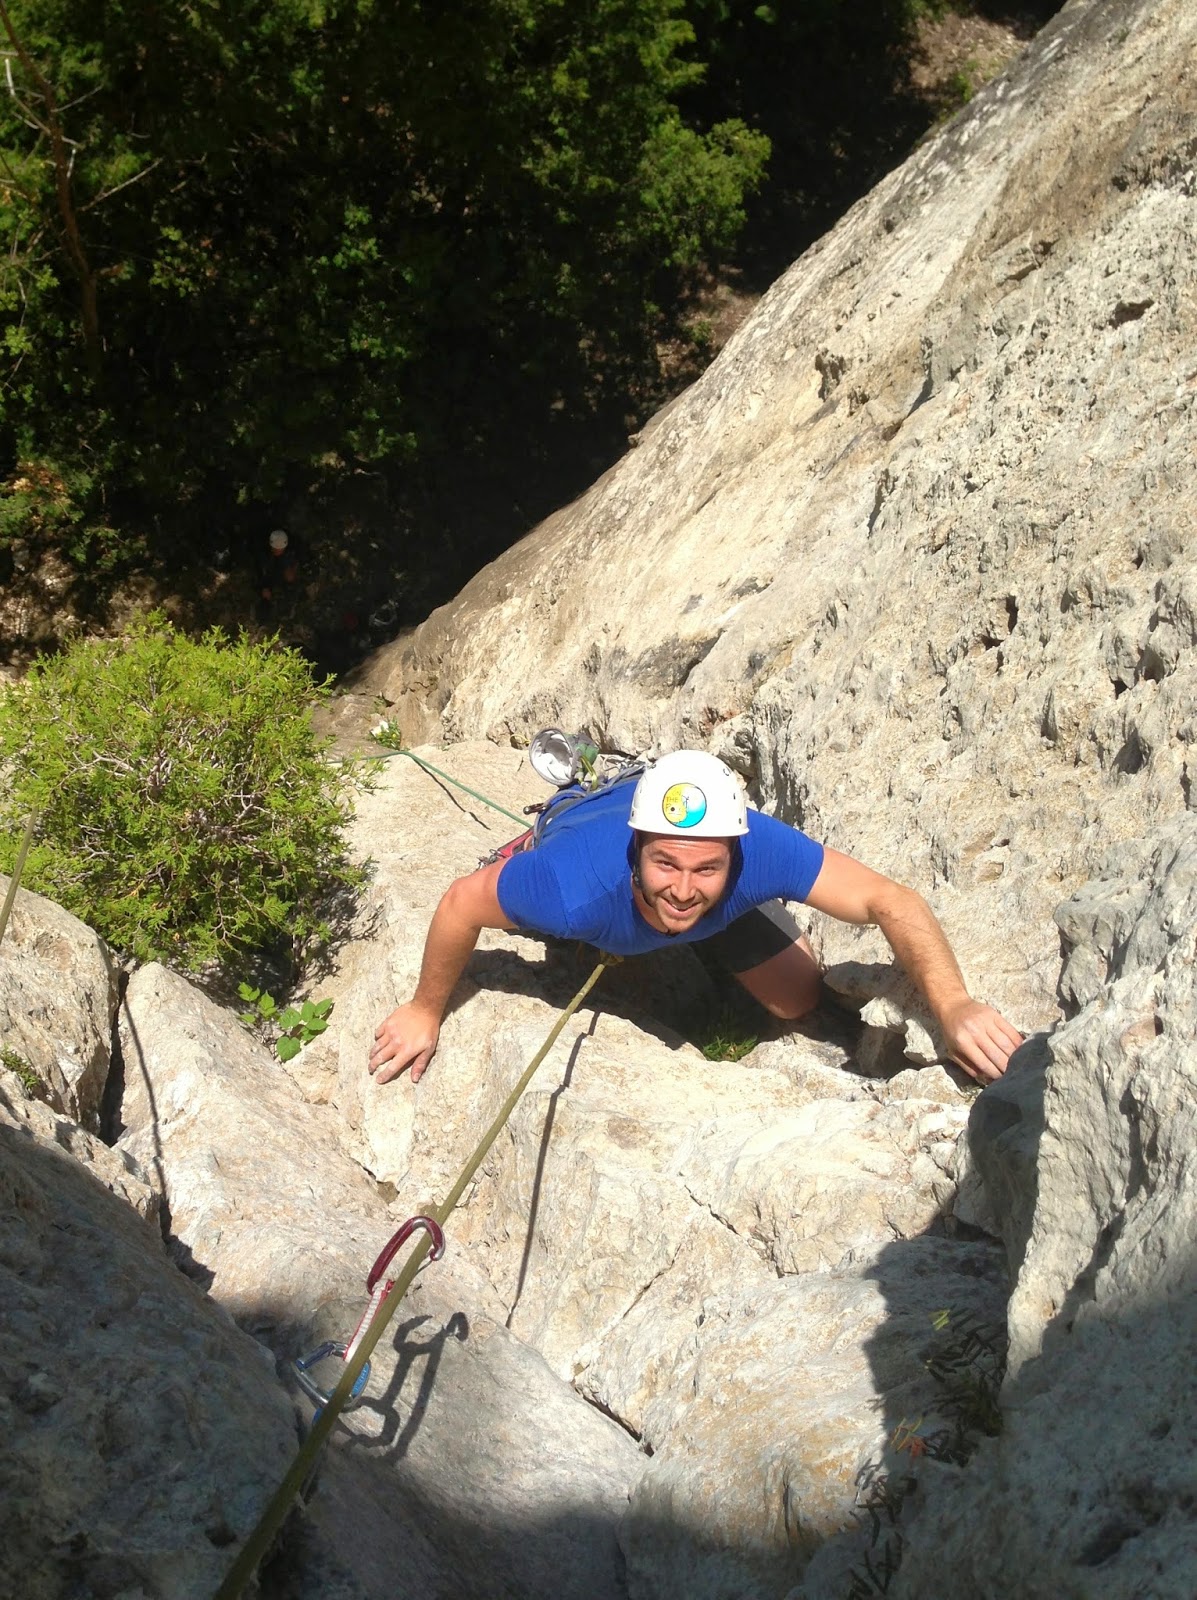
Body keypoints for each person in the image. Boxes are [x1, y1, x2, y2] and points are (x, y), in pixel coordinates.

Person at [369, 750, 1022, 1088]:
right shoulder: (567, 888)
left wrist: (954, 1005)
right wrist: (426, 1008)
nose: (681, 888)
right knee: (552, 894)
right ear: (636, 851)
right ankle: (570, 789)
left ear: (734, 856)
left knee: (798, 999)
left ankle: (703, 921)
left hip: (698, 889)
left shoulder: (759, 849)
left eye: (705, 867)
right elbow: (460, 904)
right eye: (665, 865)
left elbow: (892, 901)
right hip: (581, 833)